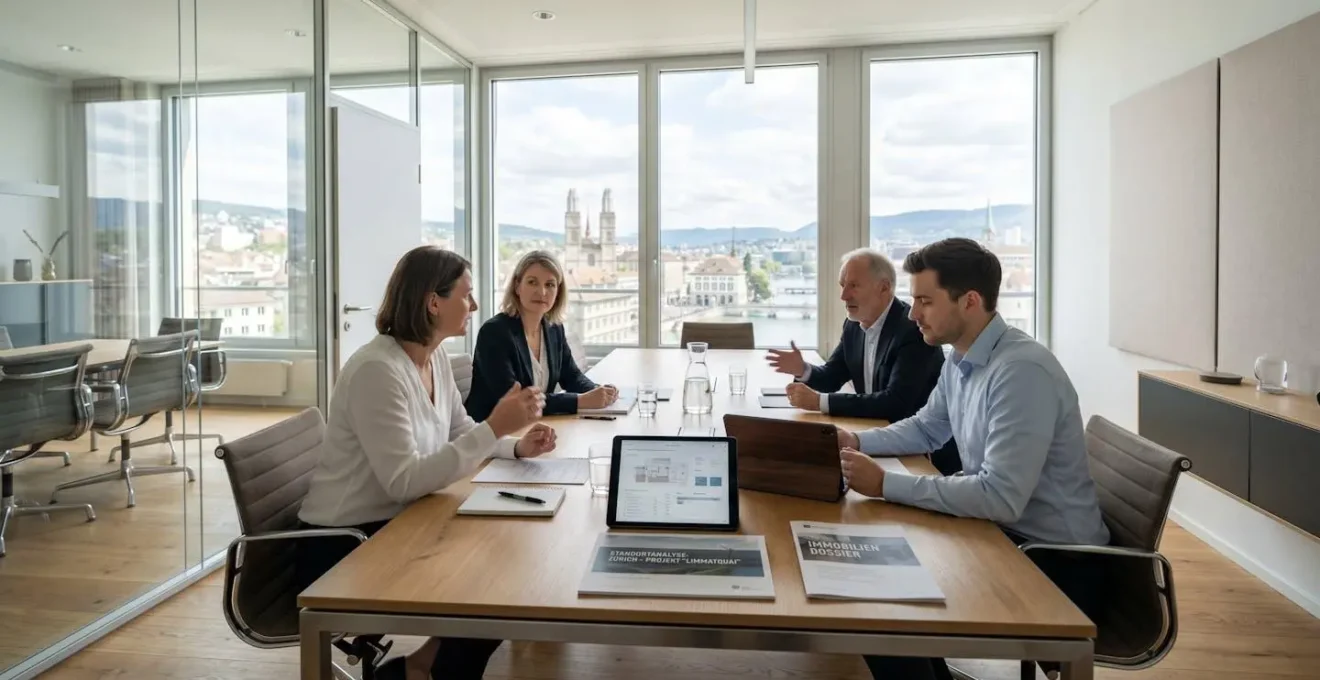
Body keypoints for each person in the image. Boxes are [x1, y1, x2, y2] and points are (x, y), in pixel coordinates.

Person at [833, 238, 1110, 680]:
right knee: (872, 575)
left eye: (924, 300)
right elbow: (926, 427)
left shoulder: (1021, 372)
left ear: (970, 301)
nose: (911, 313)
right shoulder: (962, 357)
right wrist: (856, 441)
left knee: (874, 601)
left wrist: (885, 485)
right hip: (1000, 535)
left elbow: (1000, 497)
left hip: (1053, 562)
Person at [297, 245, 556, 680]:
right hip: (345, 544)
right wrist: (494, 428)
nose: (474, 305)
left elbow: (459, 431)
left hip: (397, 524)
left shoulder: (432, 355)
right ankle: (425, 670)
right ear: (433, 302)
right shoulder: (376, 372)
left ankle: (421, 668)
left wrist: (515, 447)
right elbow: (404, 481)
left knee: (502, 568)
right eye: (466, 295)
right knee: (488, 584)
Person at [766, 248, 959, 473]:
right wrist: (803, 370)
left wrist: (820, 401)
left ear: (884, 288)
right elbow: (831, 376)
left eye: (854, 286)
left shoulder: (913, 330)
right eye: (842, 285)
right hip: (875, 442)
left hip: (923, 458)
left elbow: (895, 403)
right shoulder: (853, 325)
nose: (844, 296)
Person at [466, 250, 618, 421]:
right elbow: (519, 400)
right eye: (532, 282)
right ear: (517, 286)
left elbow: (572, 376)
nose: (542, 292)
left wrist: (599, 392)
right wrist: (580, 401)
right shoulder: (494, 332)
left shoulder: (554, 329)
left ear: (558, 292)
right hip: (493, 434)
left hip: (535, 427)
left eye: (550, 285)